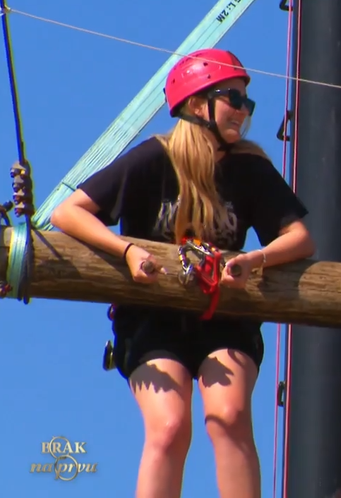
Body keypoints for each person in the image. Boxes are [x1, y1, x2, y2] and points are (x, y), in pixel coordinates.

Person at [50, 48, 315, 498]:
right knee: (170, 426)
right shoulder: (154, 159)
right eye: (234, 98)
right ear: (198, 104)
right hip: (151, 316)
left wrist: (252, 260)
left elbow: (299, 238)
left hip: (224, 315)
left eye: (247, 102)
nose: (243, 111)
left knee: (227, 416)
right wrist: (128, 250)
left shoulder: (249, 167)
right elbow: (68, 213)